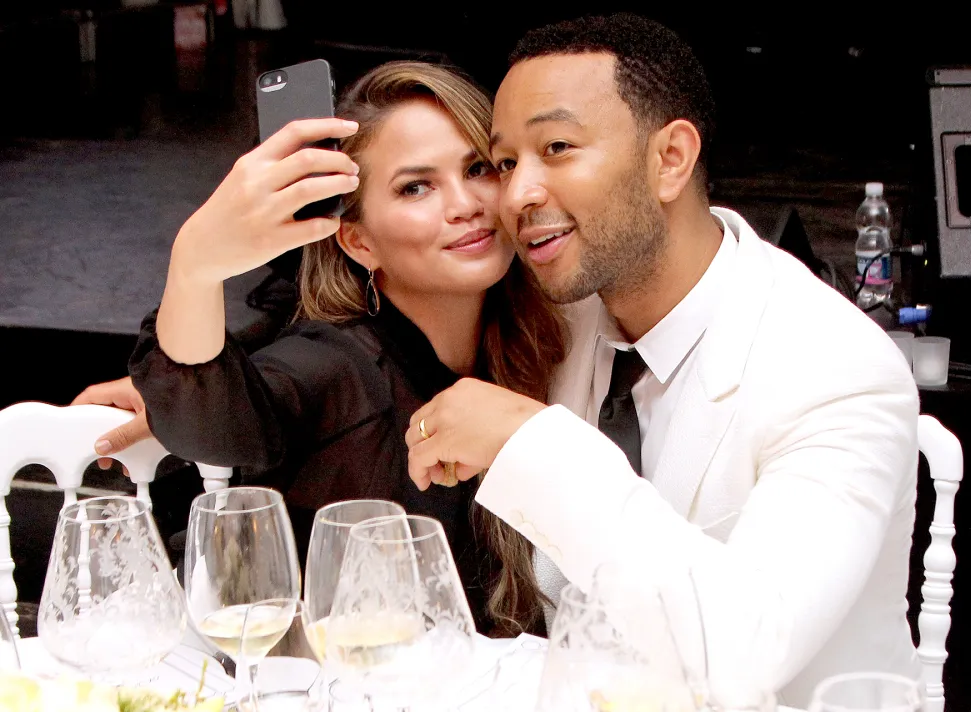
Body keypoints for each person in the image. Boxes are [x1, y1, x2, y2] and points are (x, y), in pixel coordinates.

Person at [404, 14, 920, 707]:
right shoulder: (560, 315)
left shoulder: (837, 369)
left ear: (670, 159)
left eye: (556, 148)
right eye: (505, 163)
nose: (517, 194)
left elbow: (745, 655)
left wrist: (534, 442)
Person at [119, 61, 565, 636]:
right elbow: (216, 424)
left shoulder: (545, 338)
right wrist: (194, 265)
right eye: (416, 187)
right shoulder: (337, 364)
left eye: (477, 168)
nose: (465, 204)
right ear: (358, 242)